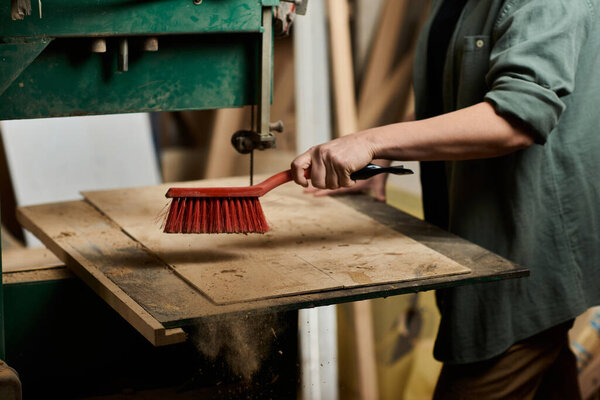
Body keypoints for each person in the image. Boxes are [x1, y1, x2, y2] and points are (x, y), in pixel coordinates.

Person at [290, 0, 600, 398]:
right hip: (482, 244)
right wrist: (383, 156)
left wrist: (370, 140)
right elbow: (465, 95)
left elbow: (517, 116)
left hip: (525, 255)